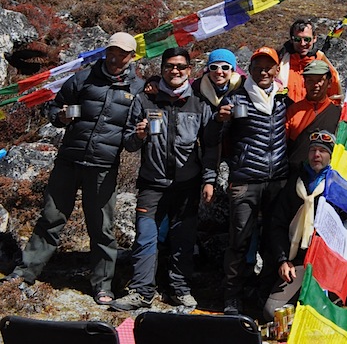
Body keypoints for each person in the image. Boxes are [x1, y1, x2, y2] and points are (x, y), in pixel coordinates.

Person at [10, 32, 143, 306]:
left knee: (102, 228)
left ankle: (103, 286)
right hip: (69, 160)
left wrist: (139, 137)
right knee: (51, 218)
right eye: (113, 52)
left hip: (103, 166)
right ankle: (24, 274)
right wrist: (58, 116)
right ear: (107, 51)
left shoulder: (137, 89)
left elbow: (130, 140)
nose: (117, 58)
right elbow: (54, 107)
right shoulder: (83, 78)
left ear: (132, 57)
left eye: (123, 54)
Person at [110, 47, 218, 312]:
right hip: (152, 184)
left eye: (181, 66)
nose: (175, 71)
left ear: (189, 70)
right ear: (162, 69)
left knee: (183, 238)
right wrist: (138, 136)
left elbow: (211, 146)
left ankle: (180, 289)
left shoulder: (199, 103)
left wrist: (209, 179)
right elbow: (128, 142)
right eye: (170, 66)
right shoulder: (145, 100)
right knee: (146, 237)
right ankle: (141, 291)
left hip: (187, 185)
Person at [262, 130, 347, 318]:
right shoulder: (294, 183)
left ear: (330, 155)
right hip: (298, 261)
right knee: (272, 313)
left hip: (328, 260)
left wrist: (341, 233)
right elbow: (277, 223)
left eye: (322, 151)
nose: (317, 155)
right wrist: (283, 259)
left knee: (321, 314)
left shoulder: (336, 183)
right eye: (313, 150)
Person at [219, 46, 292, 315]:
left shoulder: (284, 100)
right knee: (239, 239)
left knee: (274, 239)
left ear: (276, 70)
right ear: (249, 71)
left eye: (268, 67)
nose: (263, 72)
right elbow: (218, 134)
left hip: (277, 180)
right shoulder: (236, 98)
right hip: (246, 179)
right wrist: (221, 120)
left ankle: (264, 292)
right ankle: (232, 296)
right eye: (258, 67)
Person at [285, 59, 341, 171]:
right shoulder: (292, 111)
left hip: (327, 176)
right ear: (304, 82)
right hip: (296, 175)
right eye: (310, 80)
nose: (315, 85)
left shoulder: (338, 113)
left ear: (329, 82)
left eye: (320, 80)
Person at [278, 18, 340, 102]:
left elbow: (335, 98)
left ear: (314, 38)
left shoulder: (323, 62)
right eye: (297, 39)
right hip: (287, 113)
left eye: (307, 39)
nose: (302, 43)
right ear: (292, 40)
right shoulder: (280, 61)